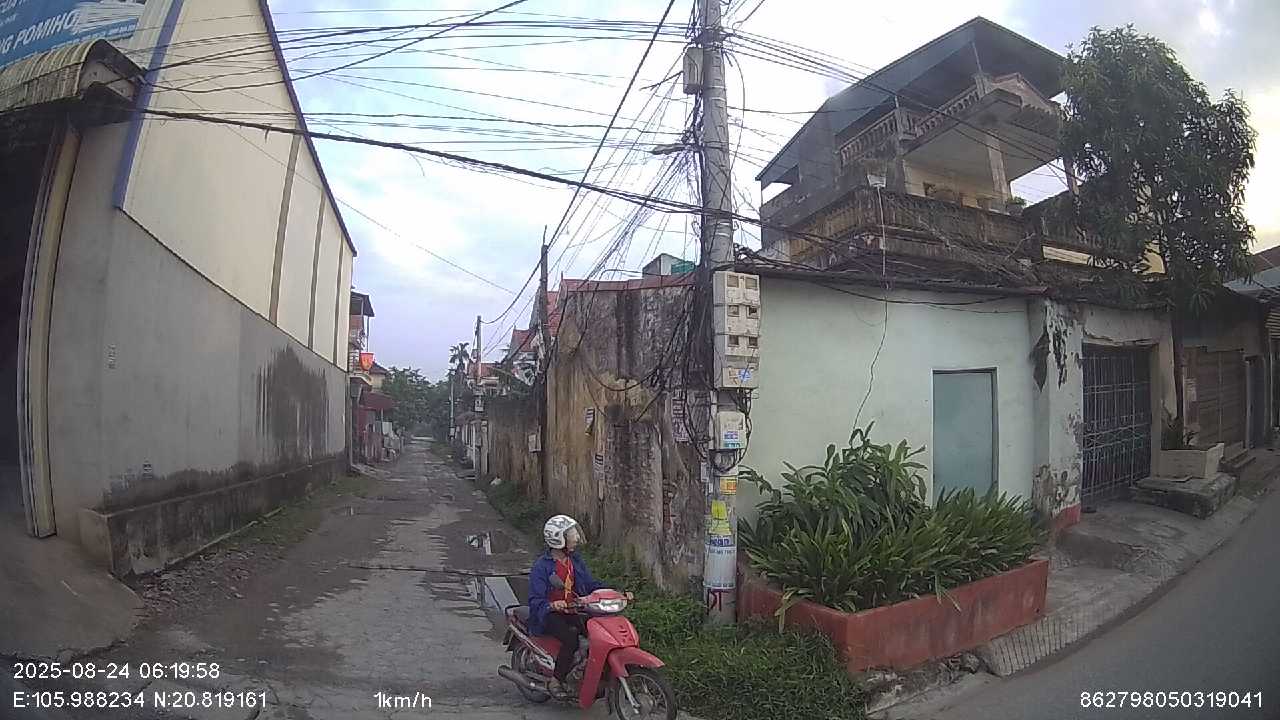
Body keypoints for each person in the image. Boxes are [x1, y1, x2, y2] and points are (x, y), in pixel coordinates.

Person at [527, 515, 601, 697]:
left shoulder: (575, 561)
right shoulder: (542, 567)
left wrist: (611, 591)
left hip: (572, 609)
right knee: (571, 638)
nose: (576, 538)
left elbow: (590, 584)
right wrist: (552, 604)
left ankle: (584, 672)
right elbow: (535, 599)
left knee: (597, 632)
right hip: (549, 614)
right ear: (558, 539)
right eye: (571, 535)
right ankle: (556, 680)